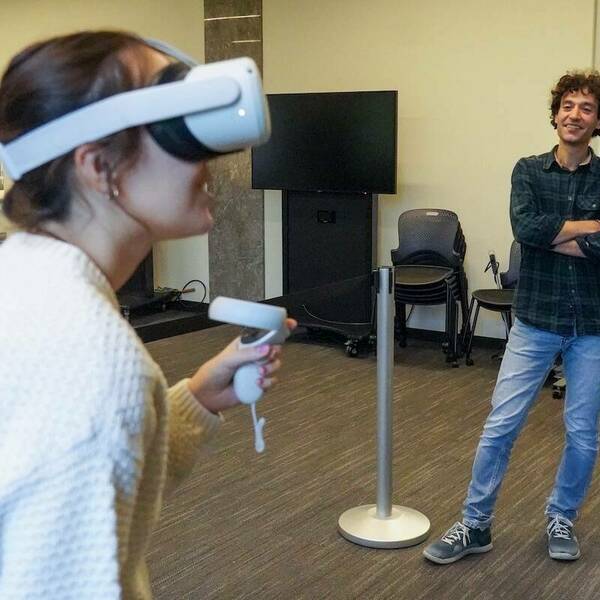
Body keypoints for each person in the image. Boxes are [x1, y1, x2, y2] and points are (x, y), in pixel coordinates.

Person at [0, 30, 295, 598]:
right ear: (98, 166)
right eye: (174, 126)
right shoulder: (91, 362)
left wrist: (194, 399)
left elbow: (95, 487)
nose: (210, 156)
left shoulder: (25, 278)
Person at [423, 70, 600, 564]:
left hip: (593, 325)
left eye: (586, 107)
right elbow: (526, 228)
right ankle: (476, 525)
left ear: (597, 121)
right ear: (556, 113)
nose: (575, 114)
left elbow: (546, 235)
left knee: (584, 434)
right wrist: (588, 230)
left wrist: (555, 236)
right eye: (568, 105)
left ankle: (561, 517)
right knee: (501, 426)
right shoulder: (528, 170)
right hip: (536, 319)